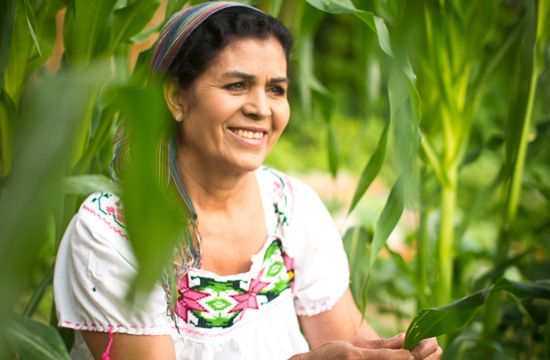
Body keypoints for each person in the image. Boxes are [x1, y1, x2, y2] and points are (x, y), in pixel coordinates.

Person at [53, 2, 442, 359]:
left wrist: (396, 352)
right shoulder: (113, 232)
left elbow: (345, 333)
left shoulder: (291, 208)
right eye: (237, 85)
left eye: (277, 90)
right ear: (176, 98)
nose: (261, 109)